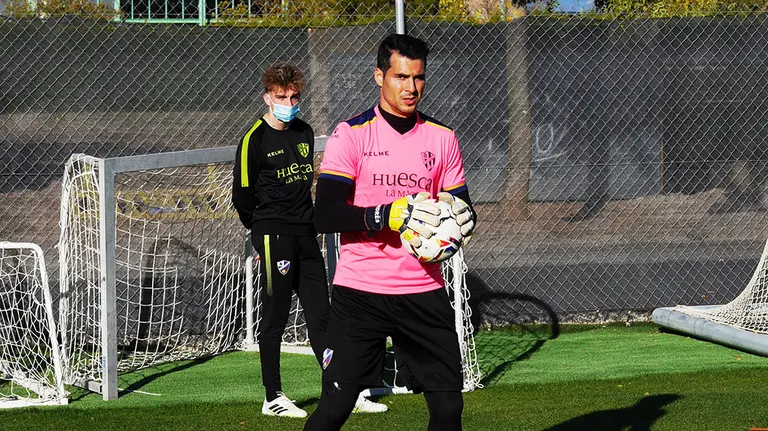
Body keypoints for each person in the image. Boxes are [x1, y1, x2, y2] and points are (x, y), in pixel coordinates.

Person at [304, 34, 477, 431]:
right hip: (361, 292)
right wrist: (385, 214)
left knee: (449, 409)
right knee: (335, 406)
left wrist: (460, 226)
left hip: (423, 292)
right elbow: (325, 215)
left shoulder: (442, 137)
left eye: (418, 78)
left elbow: (461, 208)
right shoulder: (352, 134)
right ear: (379, 75)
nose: (410, 88)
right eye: (401, 77)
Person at [232, 63, 387, 418]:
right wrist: (260, 240)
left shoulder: (304, 132)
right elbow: (242, 197)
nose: (288, 102)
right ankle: (273, 397)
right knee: (276, 317)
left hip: (306, 234)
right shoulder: (253, 140)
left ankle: (342, 388)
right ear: (267, 98)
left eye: (294, 96)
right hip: (274, 236)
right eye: (281, 96)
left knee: (322, 316)